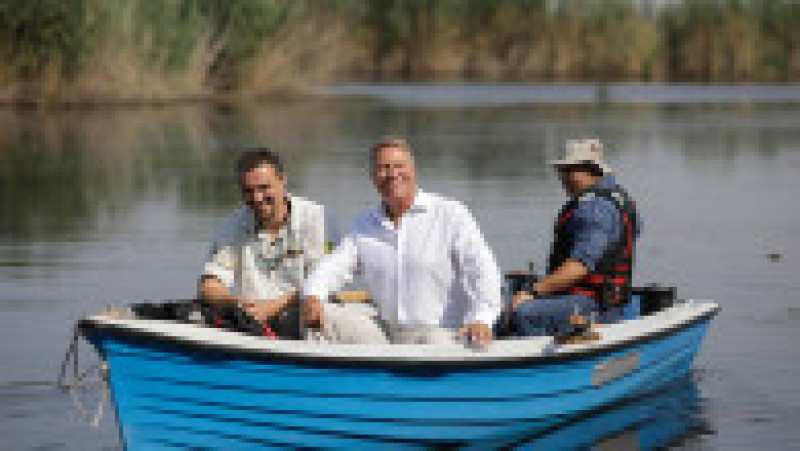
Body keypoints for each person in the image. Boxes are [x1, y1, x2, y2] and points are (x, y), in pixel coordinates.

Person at [301, 137, 501, 346]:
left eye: (399, 166)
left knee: (434, 342)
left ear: (413, 170)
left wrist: (482, 318)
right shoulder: (364, 224)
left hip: (444, 333)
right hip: (388, 335)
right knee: (321, 314)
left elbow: (482, 269)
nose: (393, 174)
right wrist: (313, 294)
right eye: (384, 168)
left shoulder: (450, 213)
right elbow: (334, 266)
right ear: (373, 177)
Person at [511, 139, 641, 336]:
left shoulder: (594, 209)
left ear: (588, 169)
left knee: (525, 313)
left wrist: (533, 292)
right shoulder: (620, 198)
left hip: (593, 305)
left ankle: (542, 363)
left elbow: (579, 267)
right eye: (561, 170)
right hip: (609, 299)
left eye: (567, 170)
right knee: (512, 288)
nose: (562, 177)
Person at [199, 148, 325, 339]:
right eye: (248, 191)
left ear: (282, 180)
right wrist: (233, 301)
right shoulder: (231, 225)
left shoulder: (318, 218)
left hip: (304, 319)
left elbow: (324, 281)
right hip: (253, 325)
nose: (257, 198)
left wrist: (273, 307)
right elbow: (210, 285)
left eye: (264, 188)